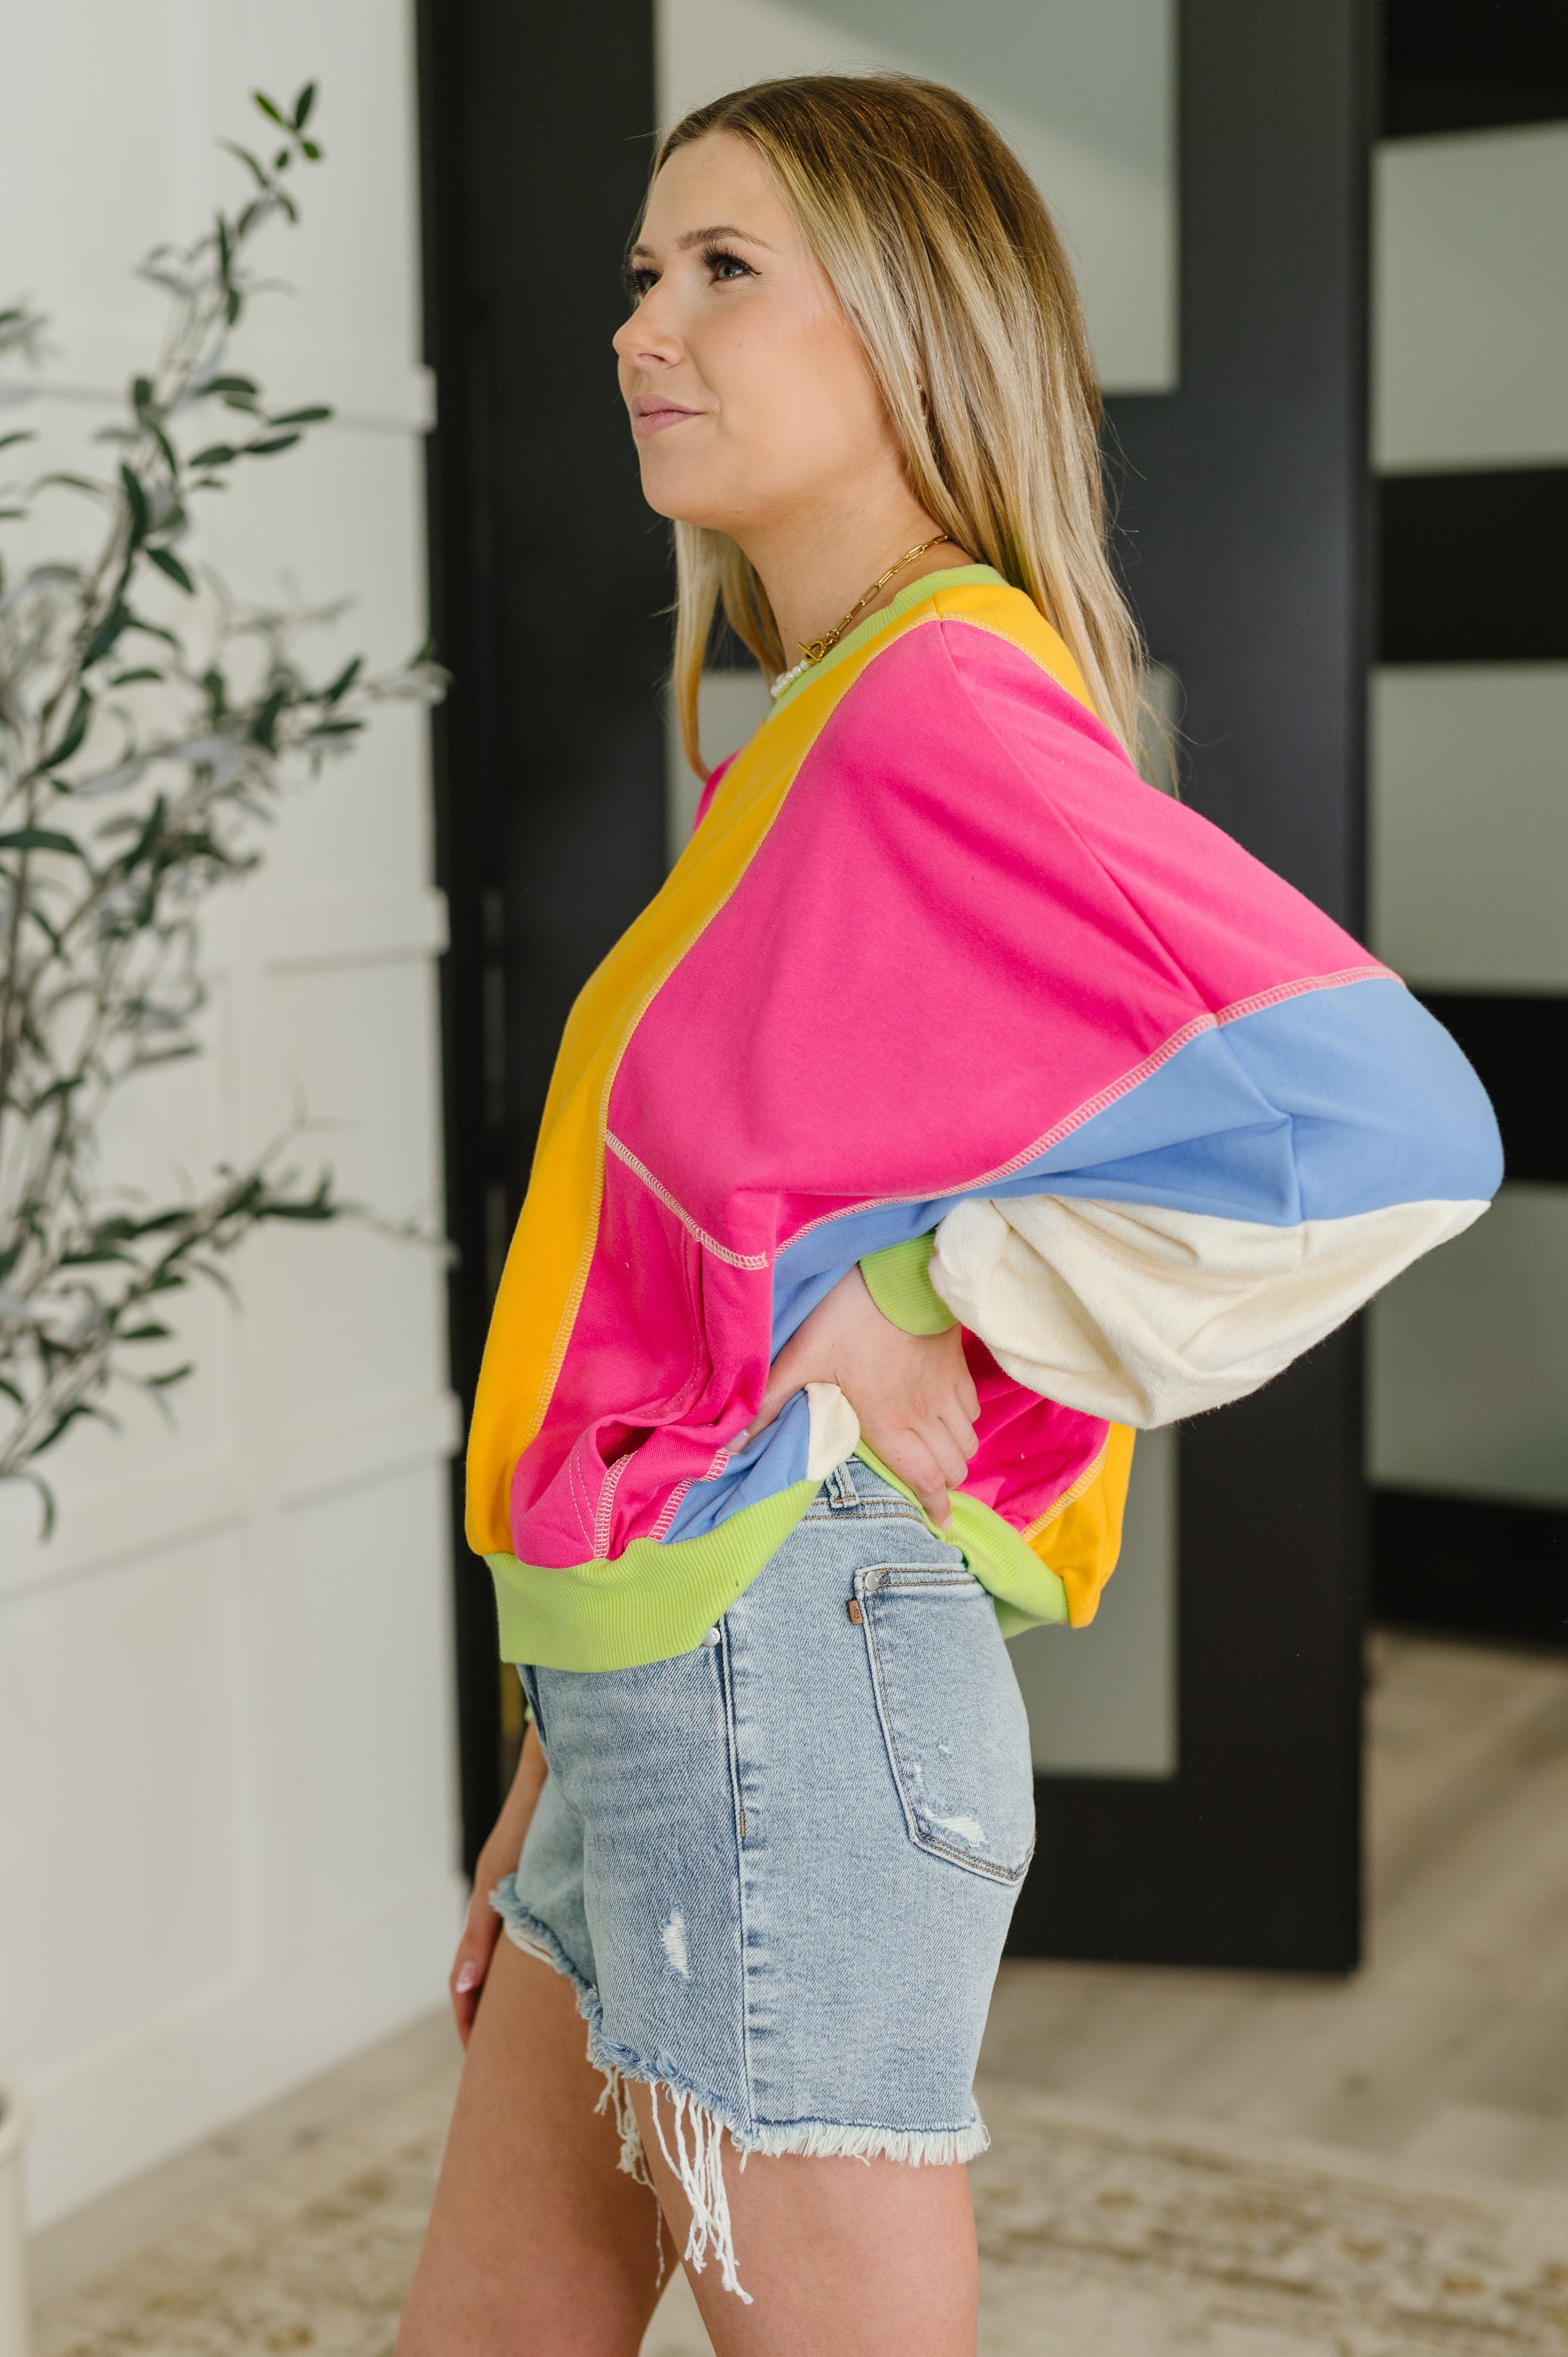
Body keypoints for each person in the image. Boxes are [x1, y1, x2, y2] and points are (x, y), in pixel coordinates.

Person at [397, 73, 1501, 2357]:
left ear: (909, 329)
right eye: (637, 273)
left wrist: (951, 1309)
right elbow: (704, 1283)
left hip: (784, 1680)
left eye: (724, 271)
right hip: (652, 1672)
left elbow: (1397, 1115)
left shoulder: (936, 713)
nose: (641, 327)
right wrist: (562, 1738)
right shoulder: (807, 734)